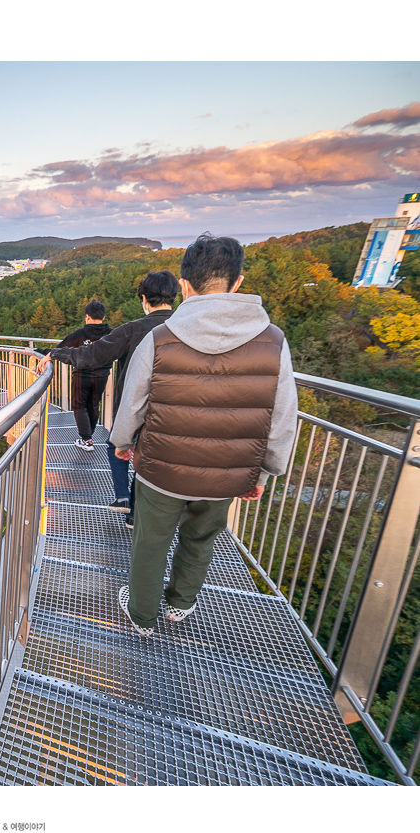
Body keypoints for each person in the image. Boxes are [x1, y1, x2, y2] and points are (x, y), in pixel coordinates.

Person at [109, 234, 298, 637]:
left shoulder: (158, 339)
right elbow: (282, 419)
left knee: (150, 542)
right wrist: (264, 473)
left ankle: (142, 616)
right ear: (238, 282)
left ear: (185, 285)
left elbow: (133, 404)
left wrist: (124, 443)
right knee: (200, 538)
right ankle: (181, 604)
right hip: (227, 472)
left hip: (161, 468)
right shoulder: (273, 342)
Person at [38, 270, 180, 520]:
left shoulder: (133, 330)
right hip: (176, 410)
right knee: (149, 461)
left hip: (136, 406)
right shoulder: (187, 328)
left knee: (118, 444)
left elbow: (91, 355)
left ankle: (123, 497)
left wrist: (55, 353)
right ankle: (136, 514)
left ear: (144, 299)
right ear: (175, 295)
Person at [50, 299, 112, 451]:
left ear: (87, 316)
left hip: (82, 375)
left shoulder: (80, 334)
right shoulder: (111, 334)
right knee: (94, 404)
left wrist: (43, 352)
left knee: (79, 405)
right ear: (103, 317)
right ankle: (89, 437)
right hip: (102, 375)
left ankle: (86, 439)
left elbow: (61, 349)